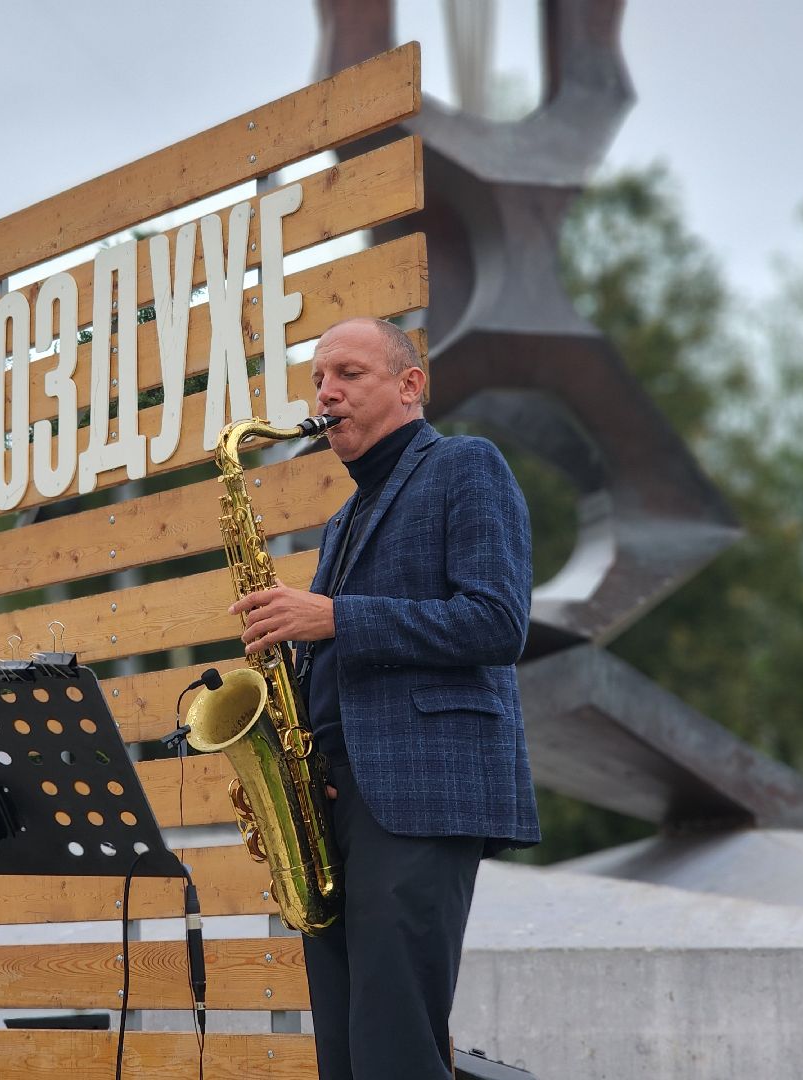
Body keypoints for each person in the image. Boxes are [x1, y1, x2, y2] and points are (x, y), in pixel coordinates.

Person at [229, 317, 539, 1080]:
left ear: (410, 385)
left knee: (394, 1049)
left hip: (424, 791)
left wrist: (333, 617)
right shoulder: (345, 518)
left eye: (348, 374)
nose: (325, 392)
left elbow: (498, 621)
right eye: (316, 380)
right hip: (344, 799)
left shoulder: (467, 466)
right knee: (347, 1055)